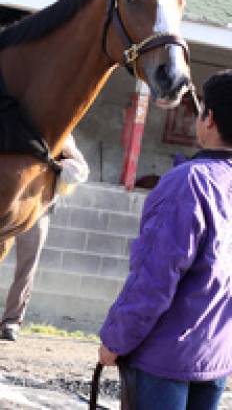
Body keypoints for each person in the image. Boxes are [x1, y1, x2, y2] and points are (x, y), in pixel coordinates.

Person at [98, 70, 232, 410]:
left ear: (209, 119)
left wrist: (116, 339)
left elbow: (154, 277)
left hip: (164, 358)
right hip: (216, 355)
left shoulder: (189, 182)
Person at [0, 134, 89, 341]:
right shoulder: (16, 125)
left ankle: (11, 323)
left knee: (26, 267)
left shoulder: (61, 134)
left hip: (39, 207)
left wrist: (60, 164)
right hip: (5, 207)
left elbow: (81, 170)